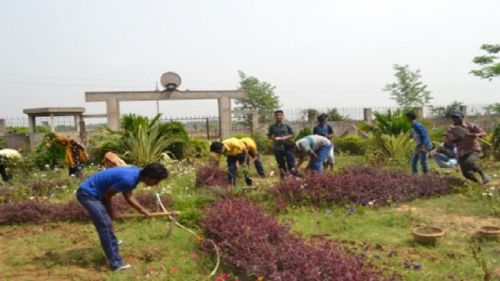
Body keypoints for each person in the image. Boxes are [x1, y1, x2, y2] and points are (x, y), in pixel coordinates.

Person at [76, 163, 168, 271]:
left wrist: (142, 210)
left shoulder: (136, 172)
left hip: (95, 192)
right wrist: (111, 213)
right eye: (157, 180)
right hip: (88, 194)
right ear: (149, 177)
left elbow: (128, 194)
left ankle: (111, 242)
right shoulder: (128, 179)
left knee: (105, 222)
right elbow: (107, 195)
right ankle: (116, 264)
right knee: (105, 225)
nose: (156, 183)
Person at [446, 111, 489, 184]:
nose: (454, 119)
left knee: (469, 162)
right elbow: (450, 140)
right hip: (462, 152)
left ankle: (484, 175)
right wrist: (459, 137)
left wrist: (475, 134)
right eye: (453, 118)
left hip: (473, 149)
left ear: (462, 118)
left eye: (457, 117)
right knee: (466, 173)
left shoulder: (471, 125)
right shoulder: (452, 128)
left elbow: (483, 133)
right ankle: (478, 183)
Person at [267, 110, 297, 178]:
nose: (278, 116)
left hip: (288, 147)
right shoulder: (272, 126)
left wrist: (286, 137)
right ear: (275, 116)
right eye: (277, 115)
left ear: (283, 116)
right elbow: (269, 135)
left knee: (291, 163)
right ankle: (283, 178)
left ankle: (294, 178)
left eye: (280, 115)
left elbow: (293, 134)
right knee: (281, 164)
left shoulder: (287, 125)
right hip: (277, 148)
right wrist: (272, 137)